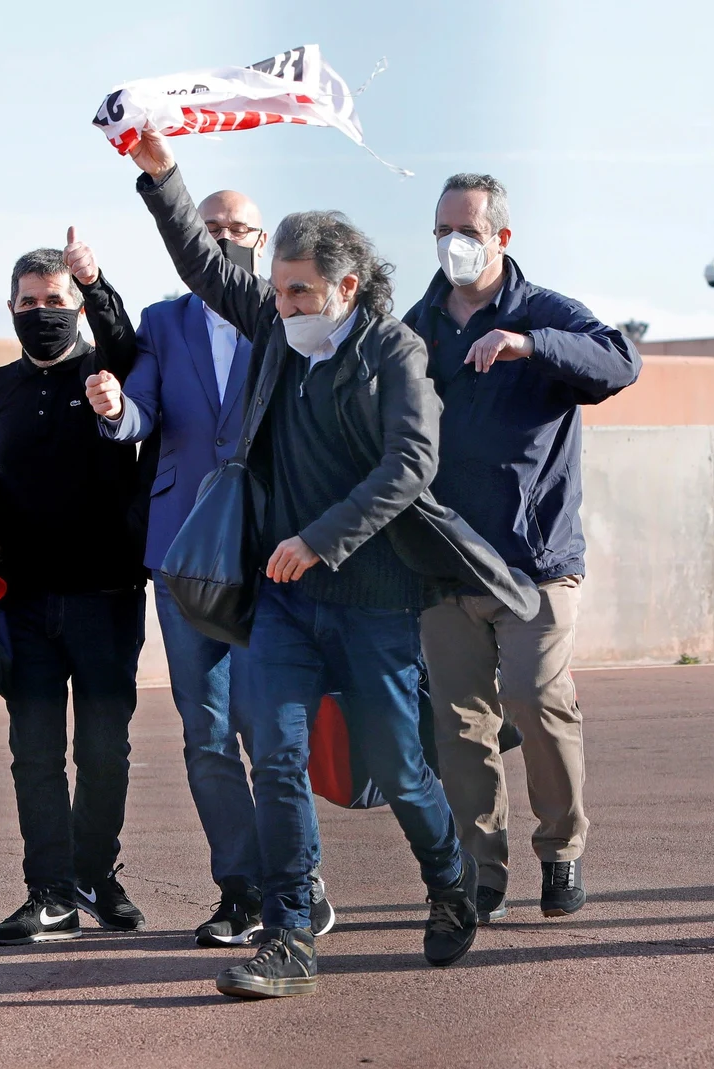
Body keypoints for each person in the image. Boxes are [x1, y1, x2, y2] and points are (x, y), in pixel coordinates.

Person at [121, 127, 540, 999]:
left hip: (373, 597)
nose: (282, 303)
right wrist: (162, 173)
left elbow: (410, 466)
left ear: (346, 287)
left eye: (300, 290)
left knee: (395, 765)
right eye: (276, 290)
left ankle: (447, 877)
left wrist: (322, 538)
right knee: (274, 757)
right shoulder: (277, 329)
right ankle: (289, 934)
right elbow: (205, 265)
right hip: (281, 600)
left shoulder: (395, 351)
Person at [87, 190, 339, 947]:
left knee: (269, 728)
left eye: (237, 228)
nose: (224, 237)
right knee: (204, 732)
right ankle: (242, 887)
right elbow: (142, 413)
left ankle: (299, 881)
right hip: (184, 552)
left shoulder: (289, 318)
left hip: (270, 555)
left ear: (260, 241)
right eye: (213, 227)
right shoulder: (165, 322)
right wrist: (111, 408)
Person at [401, 173, 639, 922]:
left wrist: (530, 347)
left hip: (535, 561)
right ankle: (484, 866)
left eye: (466, 230)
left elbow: (619, 362)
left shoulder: (546, 313)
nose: (451, 244)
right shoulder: (421, 322)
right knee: (460, 720)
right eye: (441, 230)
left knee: (536, 697)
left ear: (501, 237)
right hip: (444, 560)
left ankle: (562, 849)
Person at [0, 232, 151, 945]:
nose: (42, 311)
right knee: (35, 750)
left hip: (106, 597)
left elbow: (121, 337)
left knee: (105, 748)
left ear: (76, 308)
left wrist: (96, 281)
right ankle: (48, 891)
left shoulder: (112, 371)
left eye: (56, 301)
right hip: (24, 602)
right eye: (29, 301)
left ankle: (95, 874)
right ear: (11, 309)